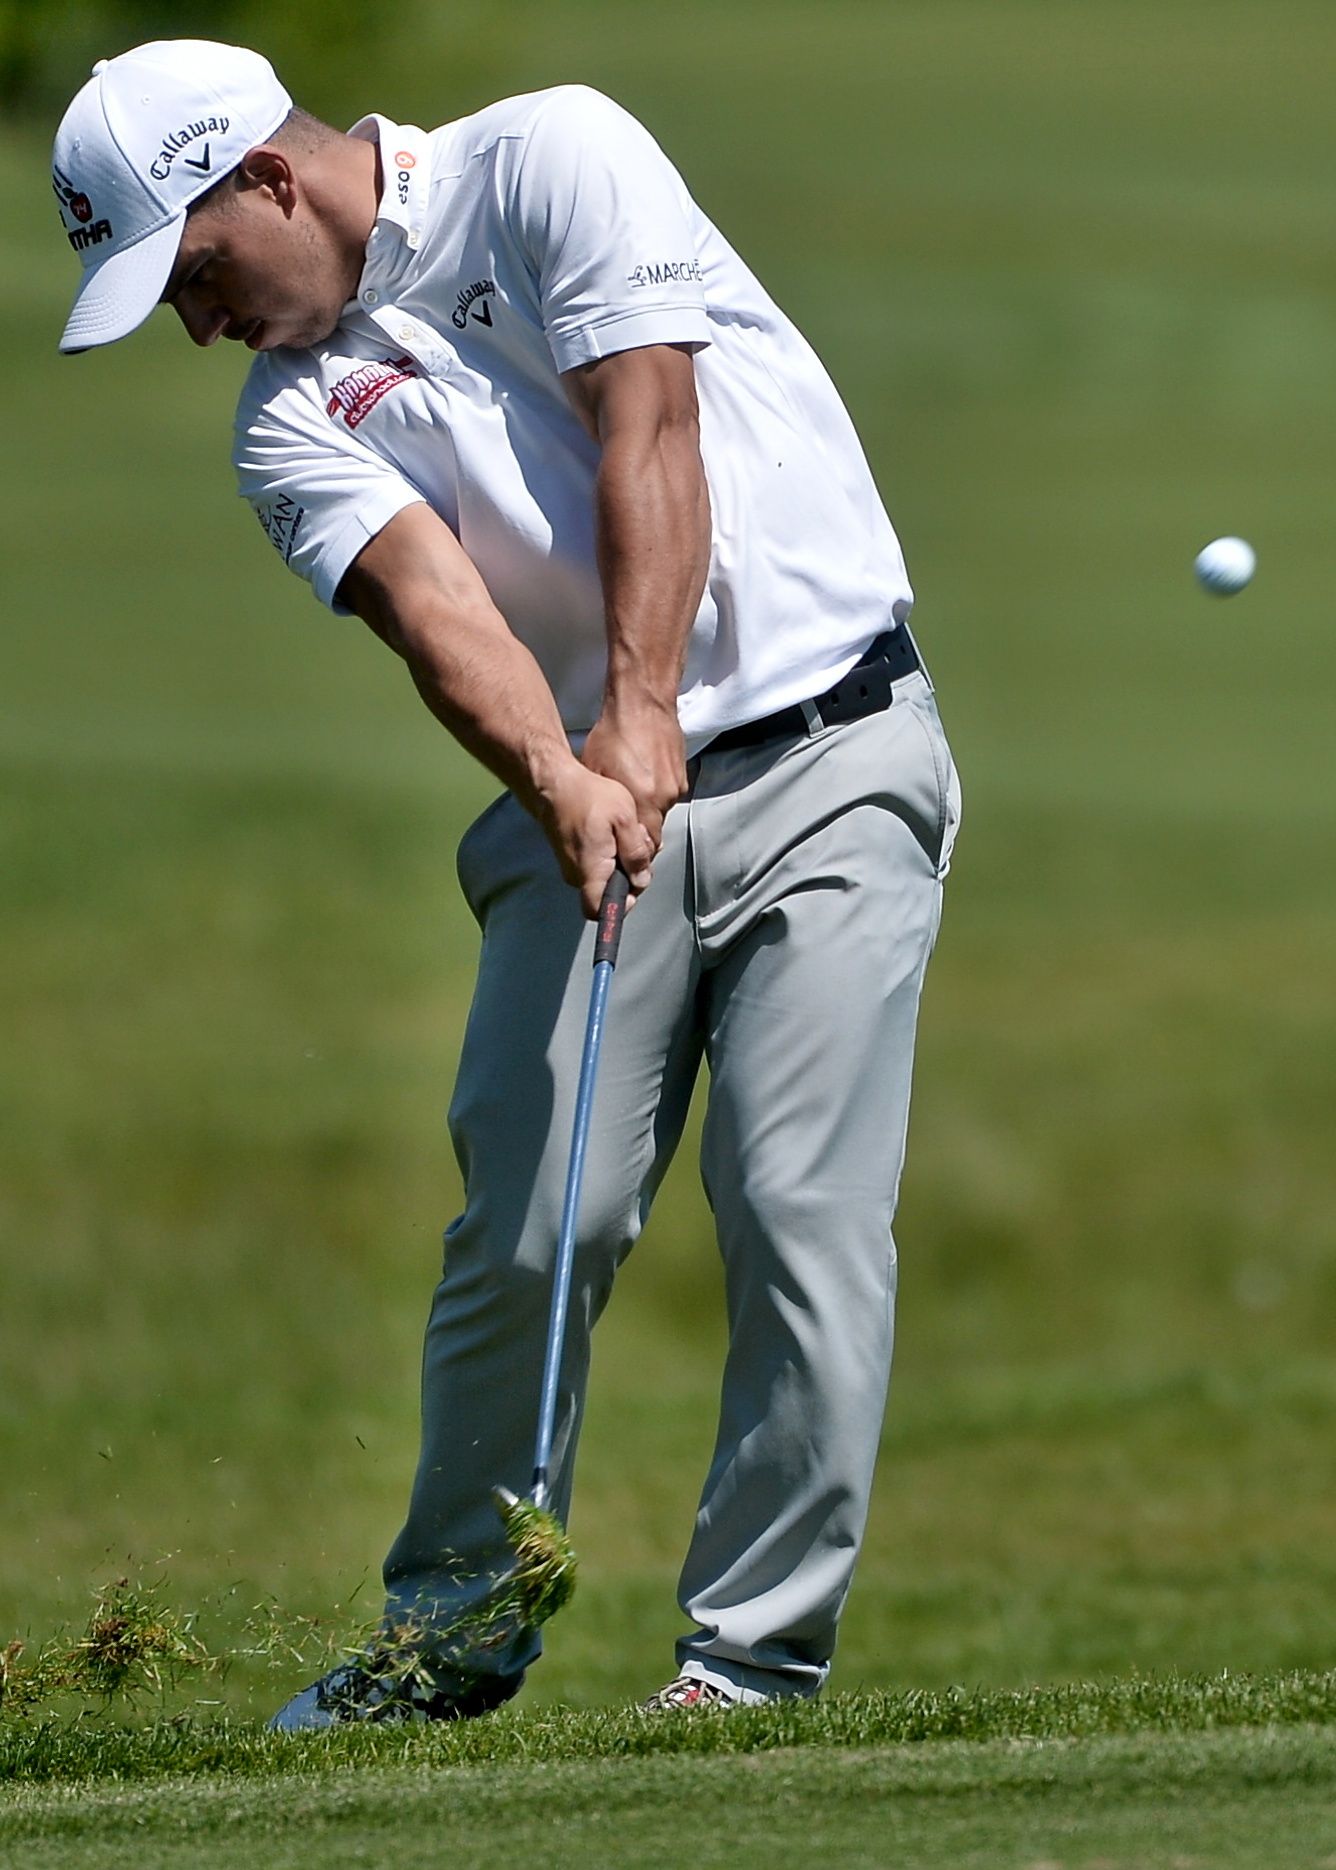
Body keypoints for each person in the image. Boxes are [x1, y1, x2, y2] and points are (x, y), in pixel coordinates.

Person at [53, 39, 961, 1726]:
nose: (196, 325)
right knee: (535, 1222)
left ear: (267, 176)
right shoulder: (287, 422)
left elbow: (649, 420)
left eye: (193, 273)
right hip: (587, 801)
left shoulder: (551, 155)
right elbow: (432, 607)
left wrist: (638, 707)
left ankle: (748, 1664)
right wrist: (562, 774)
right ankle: (448, 1641)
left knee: (800, 1208)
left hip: (829, 746)